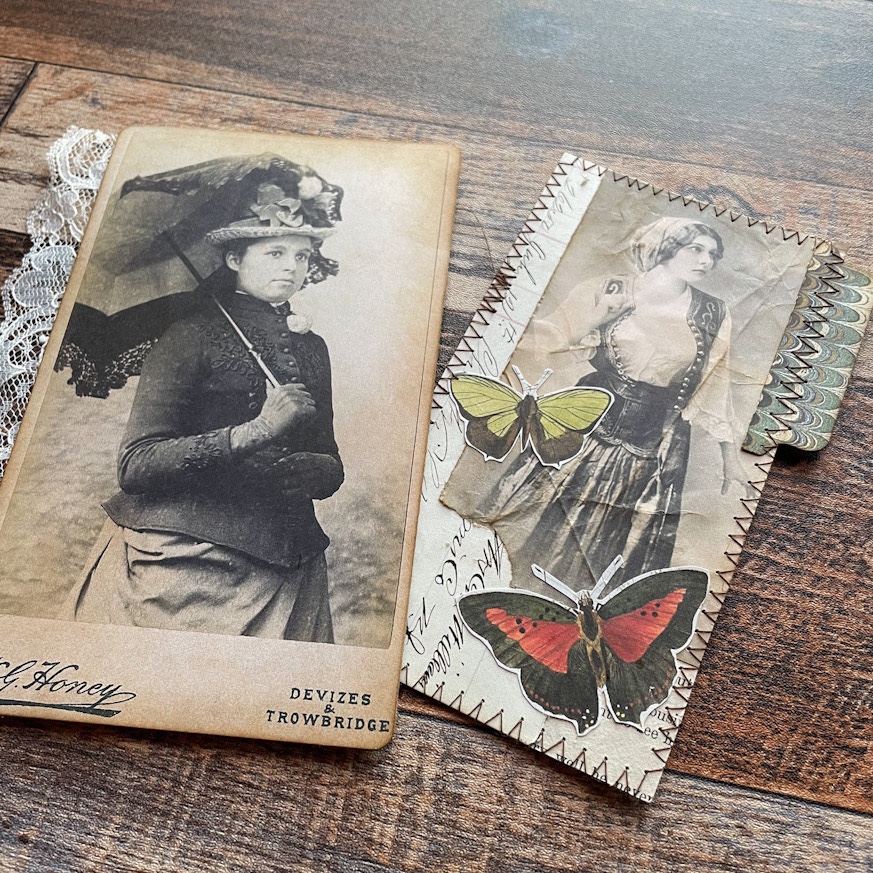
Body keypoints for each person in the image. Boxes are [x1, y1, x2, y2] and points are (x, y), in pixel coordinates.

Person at [67, 177, 343, 641]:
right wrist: (254, 432)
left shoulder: (312, 348)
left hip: (285, 560)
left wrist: (323, 470)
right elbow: (135, 465)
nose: (291, 267)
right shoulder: (188, 335)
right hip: (175, 562)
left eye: (301, 256)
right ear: (235, 259)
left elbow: (327, 452)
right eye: (275, 253)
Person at [445, 216, 740, 593]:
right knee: (532, 509)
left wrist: (729, 457)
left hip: (646, 444)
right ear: (666, 247)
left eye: (713, 255)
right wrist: (597, 319)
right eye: (695, 249)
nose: (706, 261)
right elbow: (543, 340)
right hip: (586, 422)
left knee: (605, 535)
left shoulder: (713, 313)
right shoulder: (611, 289)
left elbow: (717, 386)